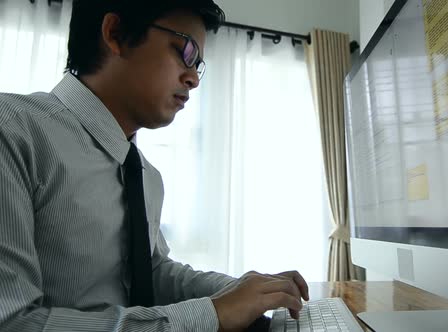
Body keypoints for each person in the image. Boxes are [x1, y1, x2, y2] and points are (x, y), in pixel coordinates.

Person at [0, 1, 308, 331]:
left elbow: (150, 270)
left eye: (199, 65)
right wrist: (213, 314)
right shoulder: (12, 132)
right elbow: (14, 322)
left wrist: (245, 290)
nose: (193, 79)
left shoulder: (145, 175)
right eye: (185, 52)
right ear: (115, 33)